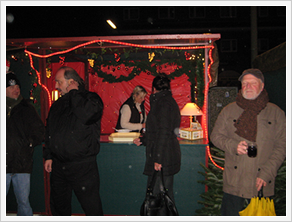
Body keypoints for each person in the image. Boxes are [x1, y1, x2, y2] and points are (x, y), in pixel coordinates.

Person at [210, 68, 286, 216]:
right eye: (245, 83)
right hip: (234, 183)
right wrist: (233, 146)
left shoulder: (275, 112)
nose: (248, 87)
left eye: (252, 83)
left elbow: (282, 146)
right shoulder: (229, 110)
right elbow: (215, 136)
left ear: (262, 86)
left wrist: (267, 173)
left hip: (261, 183)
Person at [43, 66, 104, 216]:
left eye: (59, 82)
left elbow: (88, 115)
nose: (56, 86)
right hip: (59, 165)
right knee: (59, 206)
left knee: (91, 207)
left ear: (71, 82)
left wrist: (74, 93)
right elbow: (50, 130)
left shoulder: (91, 99)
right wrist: (48, 155)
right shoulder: (57, 104)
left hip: (82, 166)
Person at [134, 73, 181, 216]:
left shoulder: (163, 103)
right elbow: (158, 130)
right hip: (166, 155)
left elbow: (164, 132)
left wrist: (158, 158)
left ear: (154, 89)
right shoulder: (166, 101)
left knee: (158, 199)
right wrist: (144, 140)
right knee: (164, 198)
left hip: (163, 157)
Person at [6, 72, 45, 216]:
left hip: (22, 163)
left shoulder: (27, 108)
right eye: (11, 87)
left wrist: (28, 144)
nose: (15, 89)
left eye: (17, 86)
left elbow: (40, 131)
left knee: (23, 202)